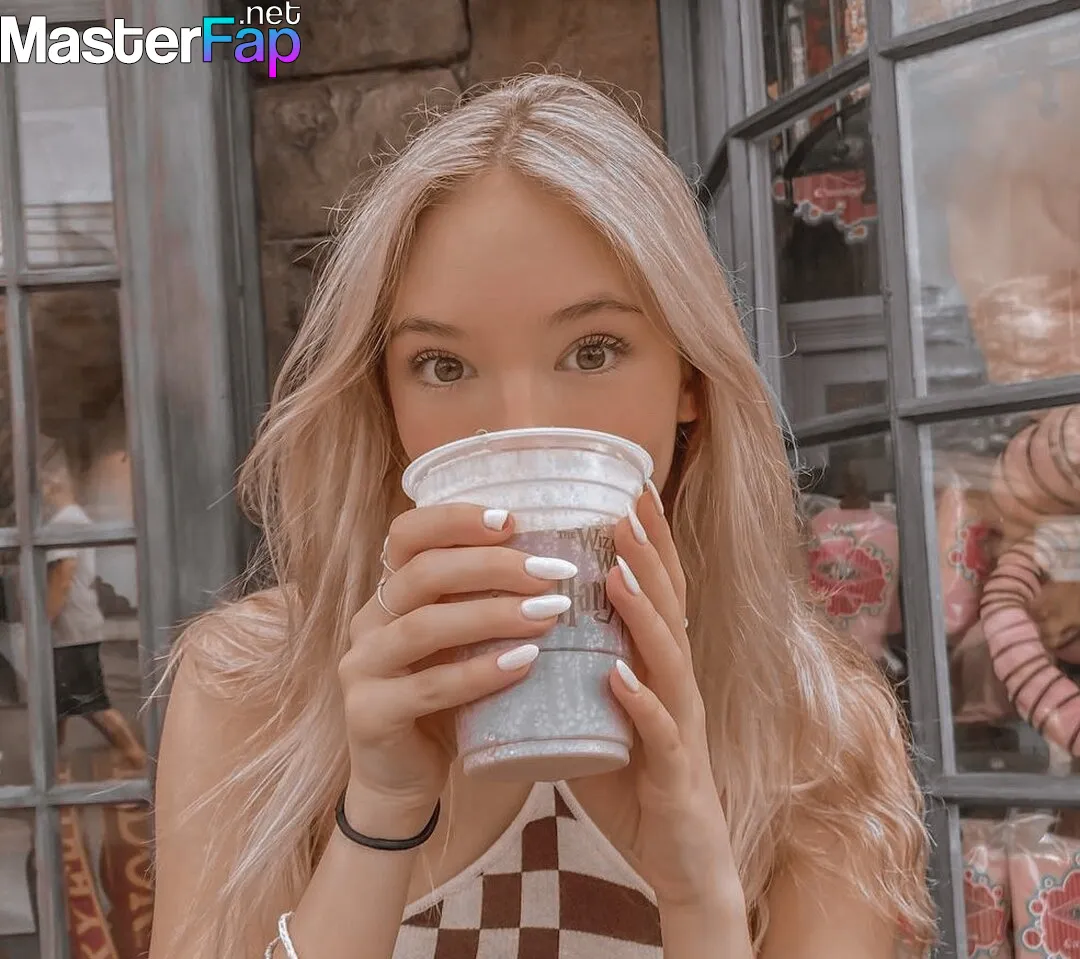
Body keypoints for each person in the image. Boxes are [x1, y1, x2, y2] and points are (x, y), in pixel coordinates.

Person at [148, 74, 937, 959]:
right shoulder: (252, 689)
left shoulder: (816, 729)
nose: (521, 429)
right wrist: (377, 818)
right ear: (384, 403)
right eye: (443, 365)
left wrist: (697, 893)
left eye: (592, 350)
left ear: (690, 380)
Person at [41, 440, 146, 771]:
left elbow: (63, 575)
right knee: (57, 704)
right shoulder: (74, 518)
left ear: (55, 482)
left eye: (43, 481)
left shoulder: (64, 523)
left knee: (91, 703)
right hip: (75, 627)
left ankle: (136, 760)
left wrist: (44, 620)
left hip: (71, 630)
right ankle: (54, 769)